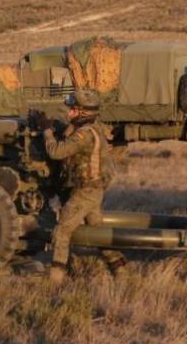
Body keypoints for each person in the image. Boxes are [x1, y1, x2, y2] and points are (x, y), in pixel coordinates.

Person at [43, 90, 126, 283]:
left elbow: (56, 152)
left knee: (62, 231)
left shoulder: (85, 134)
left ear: (83, 113)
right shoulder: (90, 129)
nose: (69, 113)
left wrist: (46, 131)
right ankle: (121, 273)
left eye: (73, 110)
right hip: (92, 190)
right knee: (97, 232)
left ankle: (56, 280)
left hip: (86, 191)